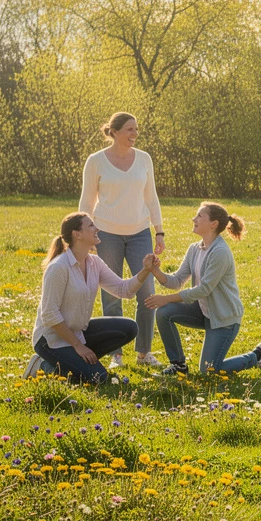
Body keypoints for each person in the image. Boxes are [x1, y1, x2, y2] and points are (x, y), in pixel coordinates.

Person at [145, 202, 261, 377]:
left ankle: (256, 356)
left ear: (213, 224)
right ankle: (178, 365)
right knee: (164, 312)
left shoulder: (220, 252)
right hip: (203, 312)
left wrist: (167, 298)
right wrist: (154, 270)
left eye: (199, 216)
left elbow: (204, 289)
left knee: (208, 371)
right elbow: (176, 281)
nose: (194, 219)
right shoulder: (194, 249)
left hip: (224, 319)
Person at [79, 112, 165, 369]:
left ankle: (144, 353)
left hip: (140, 232)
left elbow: (152, 197)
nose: (134, 134)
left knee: (147, 292)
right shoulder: (96, 161)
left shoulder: (144, 159)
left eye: (136, 129)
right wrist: (86, 235)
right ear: (114, 132)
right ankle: (116, 354)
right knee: (112, 295)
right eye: (129, 129)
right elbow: (87, 201)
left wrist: (159, 231)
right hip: (106, 234)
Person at [25, 212, 153, 384]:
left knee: (129, 328)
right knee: (97, 378)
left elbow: (124, 290)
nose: (97, 229)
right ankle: (42, 366)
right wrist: (78, 346)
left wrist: (146, 270)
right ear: (76, 234)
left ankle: (79, 362)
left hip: (78, 333)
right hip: (51, 339)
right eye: (91, 225)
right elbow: (49, 315)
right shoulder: (58, 267)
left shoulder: (94, 262)